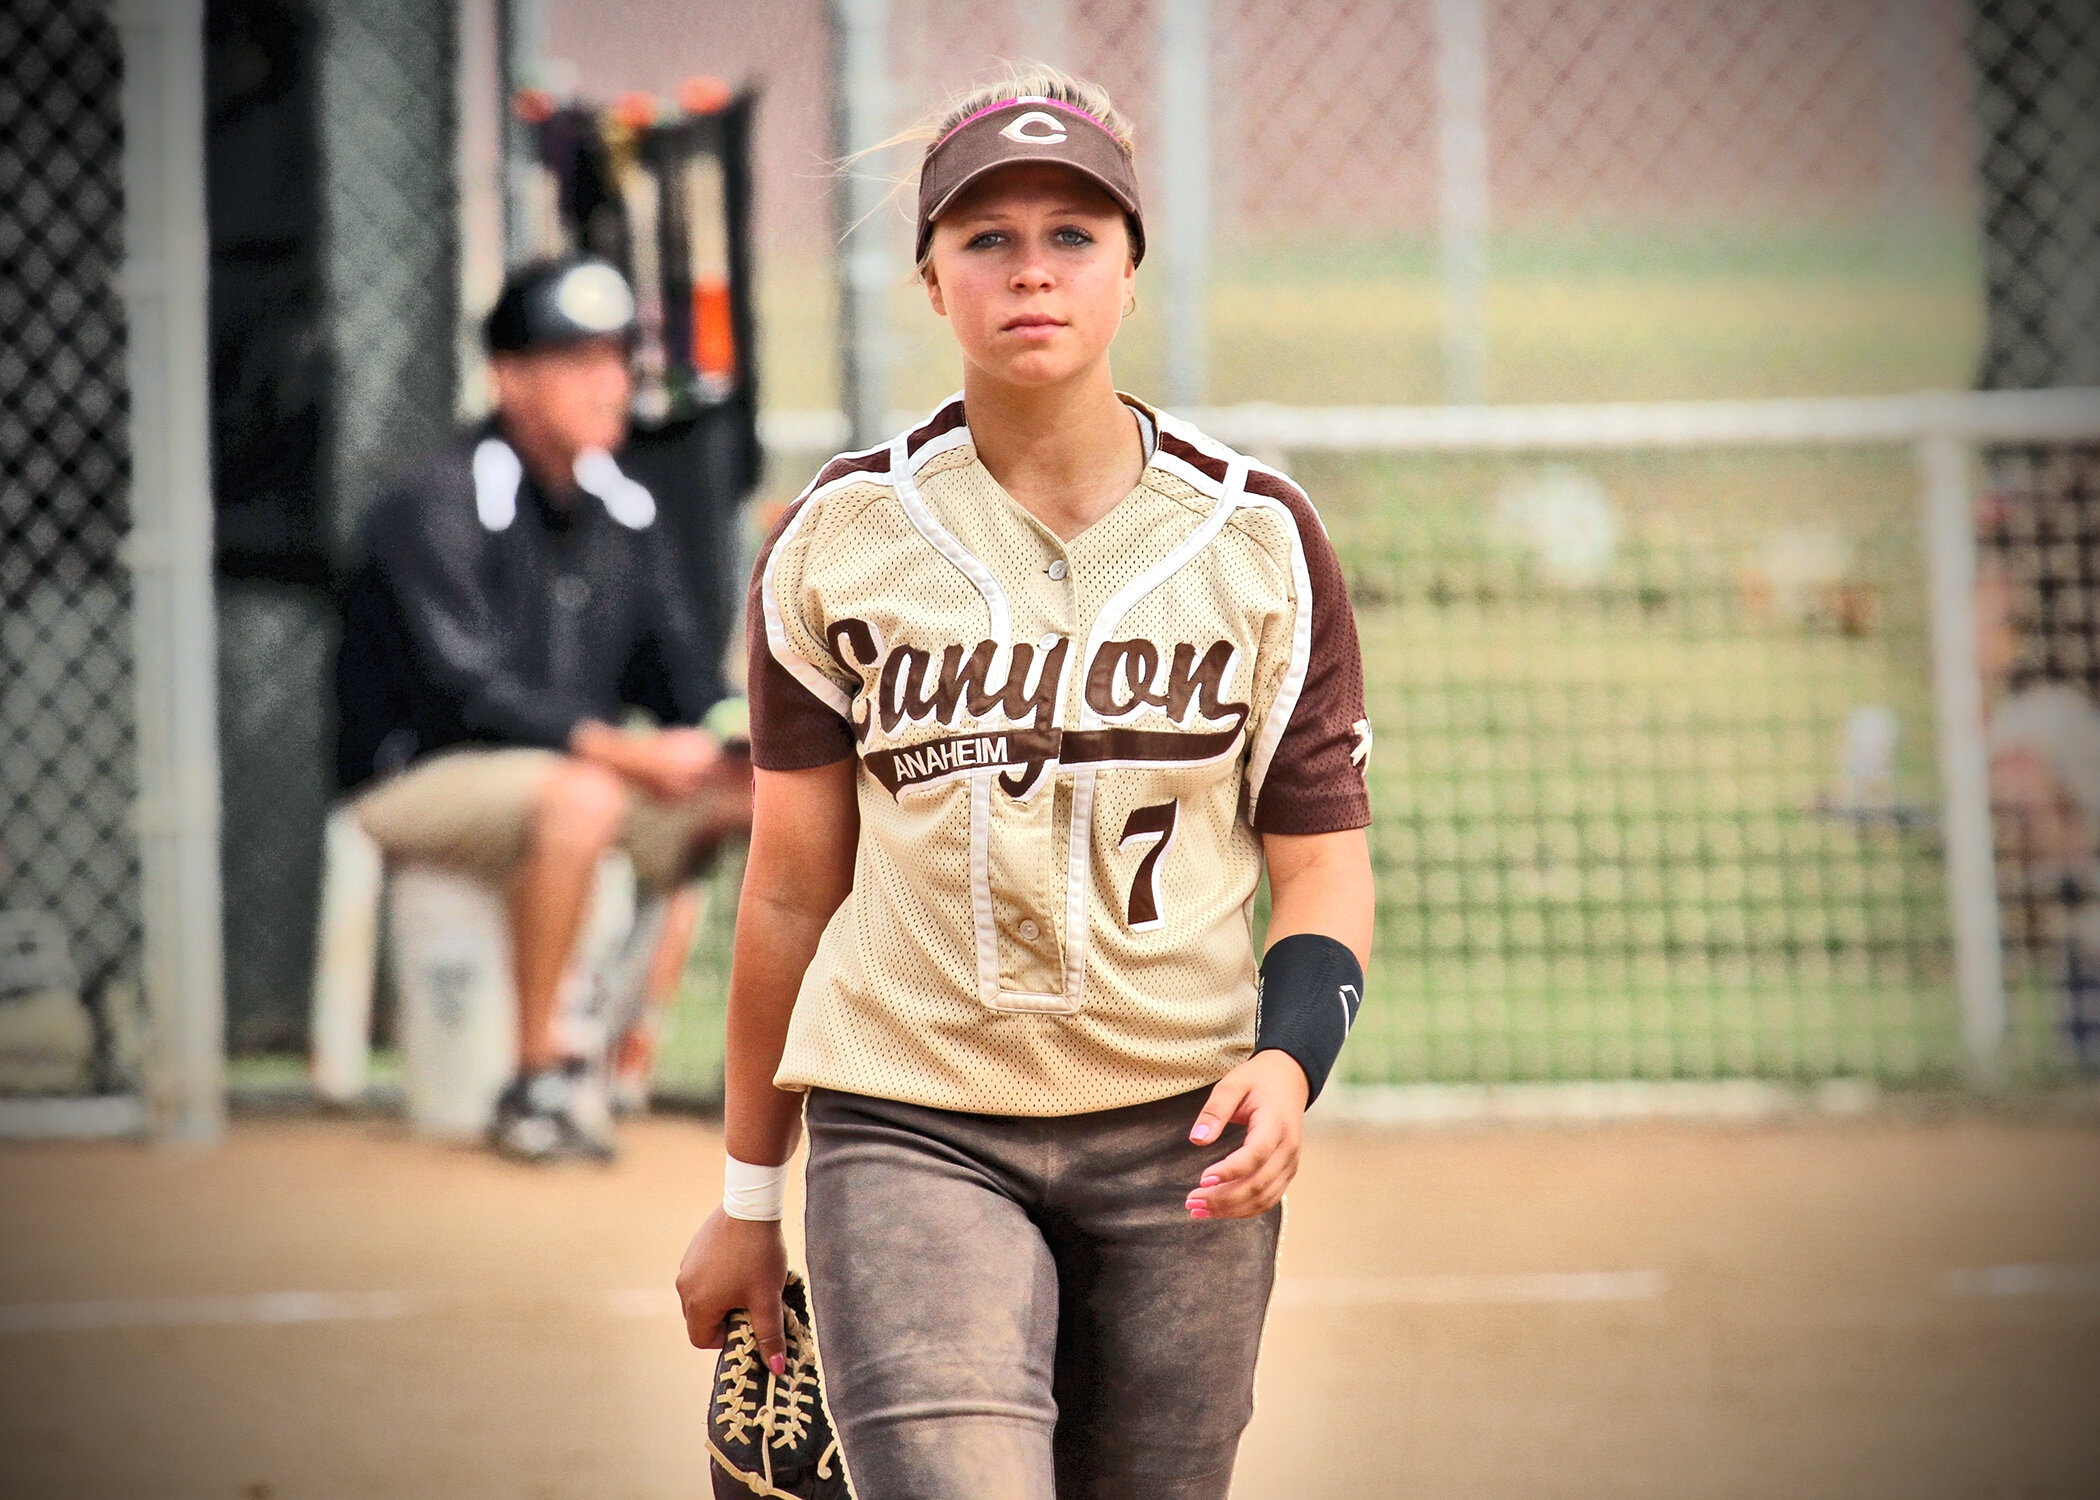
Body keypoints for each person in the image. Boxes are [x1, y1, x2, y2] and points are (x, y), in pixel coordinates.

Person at [676, 69, 1375, 1500]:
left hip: (1180, 1134)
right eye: (987, 238)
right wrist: (750, 1200)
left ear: (1130, 270)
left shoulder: (1256, 540)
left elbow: (1319, 864)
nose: (1031, 271)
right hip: (912, 1120)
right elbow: (792, 890)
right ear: (931, 277)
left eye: (1073, 235)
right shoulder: (841, 537)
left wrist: (1293, 1061)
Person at [336, 256, 751, 1161]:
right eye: (575, 361)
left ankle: (796, 1077)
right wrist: (628, 756)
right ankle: (537, 1084)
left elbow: (683, 682)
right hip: (417, 780)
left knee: (776, 794)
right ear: (509, 377)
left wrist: (737, 740)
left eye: (616, 362)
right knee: (580, 796)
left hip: (573, 774)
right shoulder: (438, 499)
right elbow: (464, 693)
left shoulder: (624, 504)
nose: (607, 384)